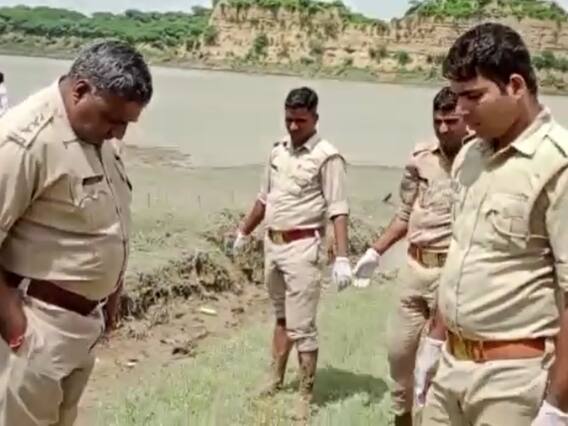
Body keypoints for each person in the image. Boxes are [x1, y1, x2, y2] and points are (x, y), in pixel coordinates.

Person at [415, 22, 568, 426]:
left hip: (514, 382)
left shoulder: (557, 165)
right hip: (451, 366)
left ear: (515, 86)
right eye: (457, 96)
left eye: (473, 96)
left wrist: (558, 404)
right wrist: (434, 340)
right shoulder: (470, 157)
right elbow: (460, 255)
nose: (461, 110)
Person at [0, 40, 152, 425]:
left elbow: (104, 222)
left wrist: (111, 292)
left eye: (126, 124)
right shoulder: (24, 141)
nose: (118, 133)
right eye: (112, 120)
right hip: (36, 327)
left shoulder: (97, 134)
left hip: (82, 328)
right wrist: (15, 323)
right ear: (80, 90)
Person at [233, 86, 352, 420]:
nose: (294, 126)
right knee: (281, 317)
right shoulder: (277, 152)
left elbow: (338, 209)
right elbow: (264, 198)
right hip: (273, 245)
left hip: (303, 248)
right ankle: (275, 377)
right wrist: (243, 231)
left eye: (301, 120)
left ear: (315, 118)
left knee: (303, 326)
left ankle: (304, 395)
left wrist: (343, 257)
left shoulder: (327, 157)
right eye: (289, 119)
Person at [352, 87, 469, 426]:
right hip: (415, 268)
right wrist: (375, 250)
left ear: (466, 120)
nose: (444, 129)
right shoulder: (421, 158)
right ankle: (402, 417)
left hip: (454, 274)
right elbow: (405, 213)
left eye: (451, 121)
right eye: (438, 121)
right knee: (399, 353)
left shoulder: (481, 159)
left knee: (441, 363)